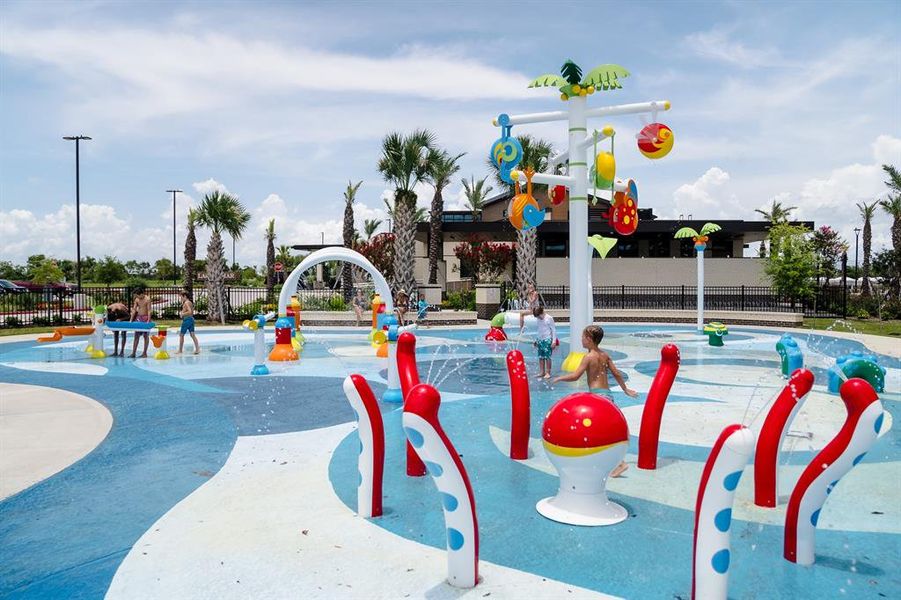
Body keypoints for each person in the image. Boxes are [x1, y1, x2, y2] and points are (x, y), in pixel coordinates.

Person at [552, 324, 637, 477]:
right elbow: (617, 373)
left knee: (602, 430)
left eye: (583, 337)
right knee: (609, 428)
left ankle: (619, 463)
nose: (581, 340)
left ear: (589, 339)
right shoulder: (604, 355)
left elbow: (576, 376)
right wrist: (625, 389)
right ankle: (615, 460)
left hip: (597, 396)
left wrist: (559, 378)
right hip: (608, 395)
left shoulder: (589, 357)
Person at [533, 305, 557, 379]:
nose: (538, 318)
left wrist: (554, 341)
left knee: (547, 357)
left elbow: (553, 330)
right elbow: (539, 330)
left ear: (542, 312)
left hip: (547, 339)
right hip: (540, 340)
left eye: (539, 316)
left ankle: (548, 372)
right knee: (541, 357)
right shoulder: (538, 319)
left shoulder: (549, 318)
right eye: (537, 316)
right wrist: (536, 340)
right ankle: (542, 372)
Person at [129, 286, 152, 358]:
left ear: (141, 294)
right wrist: (131, 320)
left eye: (137, 295)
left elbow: (149, 310)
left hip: (145, 318)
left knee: (145, 336)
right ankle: (133, 353)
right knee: (136, 336)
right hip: (139, 318)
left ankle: (144, 353)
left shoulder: (147, 299)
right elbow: (134, 310)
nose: (137, 297)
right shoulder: (137, 299)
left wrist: (148, 320)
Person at [176, 290, 200, 355]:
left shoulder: (186, 303)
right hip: (191, 319)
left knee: (181, 335)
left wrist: (182, 314)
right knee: (192, 335)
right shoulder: (189, 302)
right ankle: (197, 349)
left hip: (187, 320)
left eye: (181, 297)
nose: (180, 298)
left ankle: (180, 350)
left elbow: (190, 312)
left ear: (185, 296)